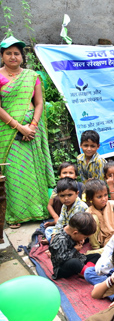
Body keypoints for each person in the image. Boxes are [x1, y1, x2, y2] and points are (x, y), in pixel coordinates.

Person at [0, 36, 55, 228]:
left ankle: (39, 211)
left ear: (22, 56)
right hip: (9, 132)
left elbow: (39, 103)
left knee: (34, 169)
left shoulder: (32, 76)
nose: (13, 57)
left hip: (32, 131)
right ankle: (16, 215)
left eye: (17, 53)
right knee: (15, 172)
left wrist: (32, 125)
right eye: (9, 53)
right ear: (2, 56)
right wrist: (18, 126)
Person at [49, 212, 99, 279]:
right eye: (84, 237)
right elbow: (61, 259)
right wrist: (75, 250)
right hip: (62, 267)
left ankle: (85, 270)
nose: (84, 239)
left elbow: (76, 239)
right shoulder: (60, 239)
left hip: (77, 258)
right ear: (75, 233)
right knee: (74, 262)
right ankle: (89, 274)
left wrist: (79, 241)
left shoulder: (73, 233)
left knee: (96, 255)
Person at [45, 178, 89, 243]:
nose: (66, 198)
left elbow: (73, 228)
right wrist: (54, 235)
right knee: (48, 230)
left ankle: (56, 243)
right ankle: (54, 242)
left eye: (69, 195)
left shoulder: (80, 206)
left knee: (66, 238)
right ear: (58, 195)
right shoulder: (65, 205)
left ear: (77, 194)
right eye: (62, 196)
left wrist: (57, 237)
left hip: (78, 233)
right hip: (67, 229)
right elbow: (60, 222)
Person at [85, 179, 114, 250]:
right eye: (99, 197)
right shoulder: (89, 211)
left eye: (105, 195)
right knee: (91, 219)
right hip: (101, 241)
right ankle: (96, 248)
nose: (104, 199)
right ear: (90, 198)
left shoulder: (113, 205)